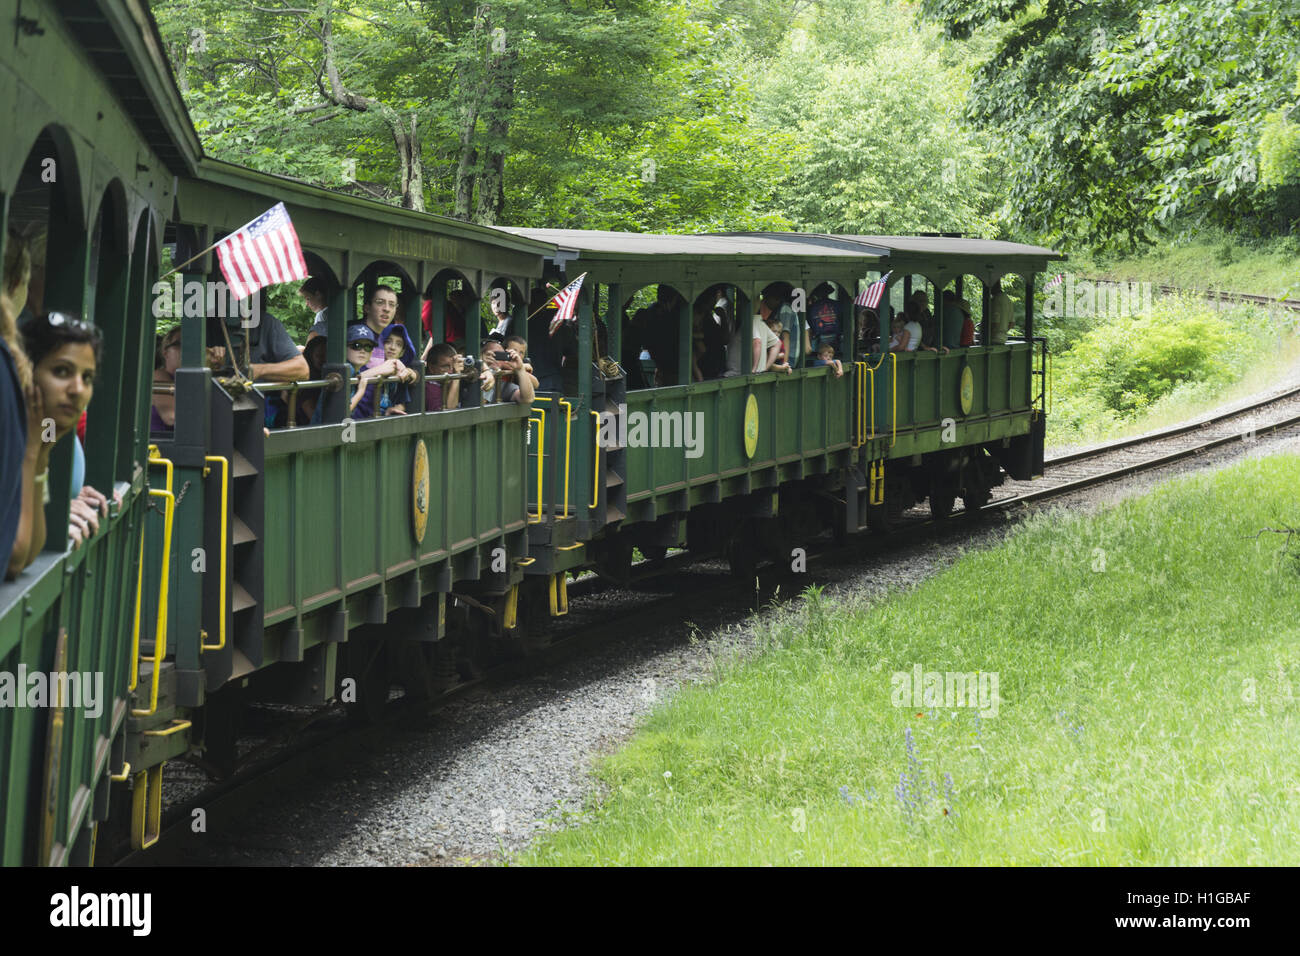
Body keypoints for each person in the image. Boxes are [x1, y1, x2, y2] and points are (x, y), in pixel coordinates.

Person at [16, 311, 115, 563]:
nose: (77, 390)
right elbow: (16, 556)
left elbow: (28, 554)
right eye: (61, 371)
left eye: (87, 378)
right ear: (26, 369)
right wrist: (32, 455)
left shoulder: (46, 430)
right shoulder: (14, 436)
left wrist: (40, 456)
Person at [369, 323, 419, 415]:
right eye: (387, 342)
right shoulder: (368, 367)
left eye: (399, 344)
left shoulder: (400, 372)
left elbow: (402, 402)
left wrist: (393, 409)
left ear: (402, 352)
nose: (392, 347)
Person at [344, 324, 380, 419]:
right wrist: (361, 391)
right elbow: (342, 412)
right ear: (344, 347)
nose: (363, 351)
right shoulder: (346, 370)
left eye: (368, 347)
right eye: (356, 346)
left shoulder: (355, 370)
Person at [805, 286, 841, 360]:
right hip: (836, 340)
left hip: (819, 341)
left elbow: (809, 326)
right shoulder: (837, 305)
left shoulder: (812, 307)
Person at [302, 276, 330, 342]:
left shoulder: (322, 315)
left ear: (318, 295)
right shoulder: (334, 311)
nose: (306, 304)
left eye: (308, 299)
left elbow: (316, 344)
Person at [989, 280, 1014, 345]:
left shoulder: (996, 300)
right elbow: (1011, 323)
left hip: (993, 340)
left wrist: (989, 337)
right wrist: (1002, 332)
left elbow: (995, 322)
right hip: (1003, 339)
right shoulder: (1008, 300)